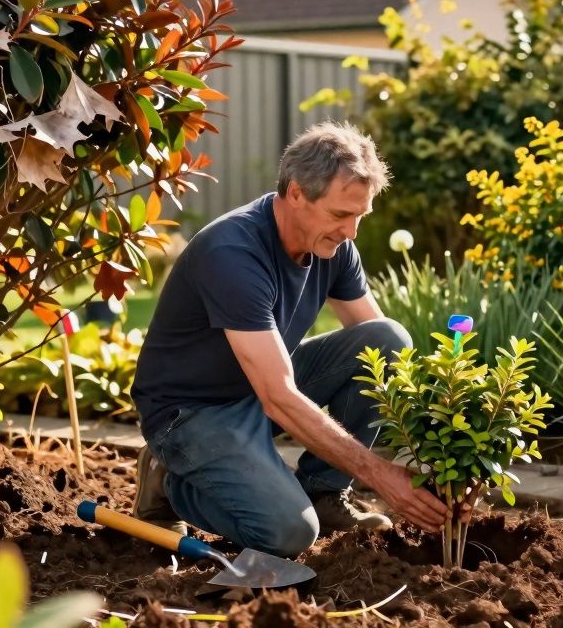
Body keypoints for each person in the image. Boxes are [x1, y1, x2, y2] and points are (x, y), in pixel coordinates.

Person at [130, 122, 454, 558]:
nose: (351, 232)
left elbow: (382, 353)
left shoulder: (334, 247)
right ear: (296, 193)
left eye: (360, 216)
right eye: (341, 215)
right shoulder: (233, 254)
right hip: (191, 413)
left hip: (255, 388)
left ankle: (323, 492)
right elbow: (278, 396)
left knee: (388, 341)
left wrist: (440, 453)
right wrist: (378, 475)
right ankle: (171, 483)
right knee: (289, 534)